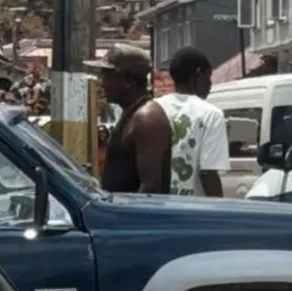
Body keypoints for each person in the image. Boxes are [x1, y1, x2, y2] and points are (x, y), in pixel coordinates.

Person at [85, 44, 171, 194]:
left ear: (128, 80)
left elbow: (150, 187)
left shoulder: (147, 119)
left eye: (108, 76)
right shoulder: (131, 113)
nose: (103, 83)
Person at [154, 47, 230, 197]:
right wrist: (219, 212)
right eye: (208, 76)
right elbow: (208, 172)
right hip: (192, 211)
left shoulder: (153, 109)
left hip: (157, 207)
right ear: (198, 74)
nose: (210, 84)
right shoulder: (211, 115)